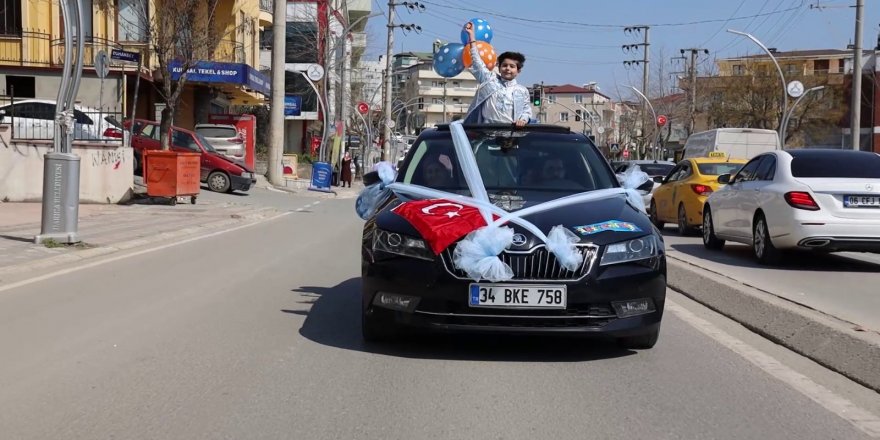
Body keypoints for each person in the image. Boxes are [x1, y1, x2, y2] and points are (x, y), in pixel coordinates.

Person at [463, 22, 532, 127]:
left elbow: (526, 111)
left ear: (518, 71)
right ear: (499, 68)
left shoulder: (522, 91)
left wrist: (523, 120)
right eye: (504, 65)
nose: (507, 69)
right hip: (486, 135)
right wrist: (472, 36)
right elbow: (477, 63)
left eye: (512, 66)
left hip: (510, 136)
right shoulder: (490, 80)